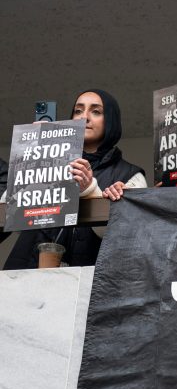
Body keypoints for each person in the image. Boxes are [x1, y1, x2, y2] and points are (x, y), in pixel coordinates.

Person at [4, 89, 147, 269]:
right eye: (78, 111)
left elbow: (127, 236)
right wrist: (33, 158)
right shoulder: (49, 161)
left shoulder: (131, 175)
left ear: (111, 121)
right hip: (31, 274)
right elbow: (14, 218)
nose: (84, 117)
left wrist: (90, 189)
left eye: (96, 111)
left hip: (90, 278)